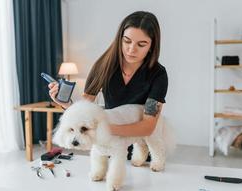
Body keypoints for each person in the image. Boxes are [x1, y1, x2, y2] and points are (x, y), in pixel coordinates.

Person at [49, 11, 168, 157]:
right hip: (109, 147)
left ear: (152, 45)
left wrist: (105, 129)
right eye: (127, 41)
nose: (131, 49)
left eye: (141, 44)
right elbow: (85, 108)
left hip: (142, 149)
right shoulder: (103, 65)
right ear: (120, 39)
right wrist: (66, 104)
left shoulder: (158, 74)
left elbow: (147, 127)